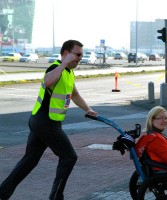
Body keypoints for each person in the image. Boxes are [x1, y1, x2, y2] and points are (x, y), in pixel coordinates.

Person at [0, 40, 97, 200]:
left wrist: (88, 109)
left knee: (30, 160)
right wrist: (64, 63)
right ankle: (56, 197)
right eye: (78, 54)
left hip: (42, 122)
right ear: (67, 53)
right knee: (69, 157)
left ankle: (3, 193)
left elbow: (76, 95)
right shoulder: (55, 68)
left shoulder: (69, 73)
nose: (80, 58)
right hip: (46, 121)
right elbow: (47, 82)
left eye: (82, 55)